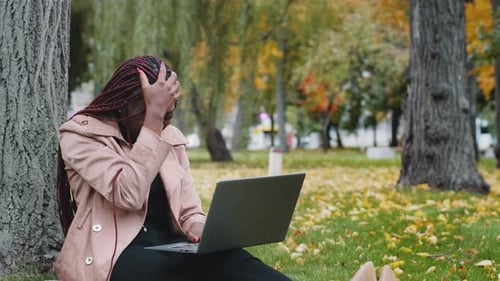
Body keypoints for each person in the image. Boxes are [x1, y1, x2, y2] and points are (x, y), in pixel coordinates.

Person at [55, 55, 291, 281]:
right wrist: (154, 119)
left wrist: (198, 228)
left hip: (169, 246)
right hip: (114, 254)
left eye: (168, 115)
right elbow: (128, 195)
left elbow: (189, 210)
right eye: (155, 113)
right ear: (123, 104)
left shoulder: (170, 136)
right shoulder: (81, 135)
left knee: (238, 263)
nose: (164, 124)